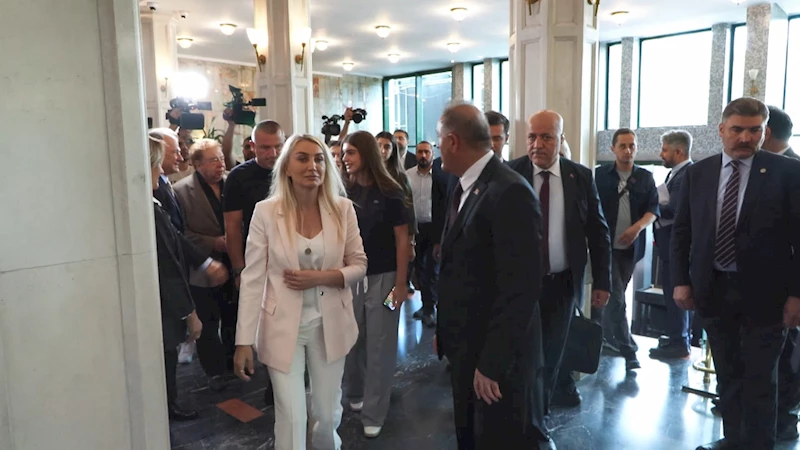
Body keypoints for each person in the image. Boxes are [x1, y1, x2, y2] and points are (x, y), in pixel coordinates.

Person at [672, 97, 800, 450]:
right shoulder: (699, 173)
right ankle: (733, 440)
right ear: (721, 130)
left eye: (755, 130)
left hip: (767, 296)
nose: (746, 137)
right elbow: (682, 231)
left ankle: (757, 445)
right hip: (714, 290)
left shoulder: (787, 172)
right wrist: (680, 281)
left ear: (765, 131)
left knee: (760, 380)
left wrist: (797, 294)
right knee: (728, 375)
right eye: (737, 129)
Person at [233, 135, 367, 450]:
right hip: (281, 326)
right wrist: (243, 340)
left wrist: (320, 278)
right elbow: (253, 278)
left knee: (326, 414)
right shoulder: (266, 212)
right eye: (303, 158)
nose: (313, 166)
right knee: (291, 416)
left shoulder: (343, 209)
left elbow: (359, 264)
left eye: (319, 159)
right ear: (287, 168)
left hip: (330, 324)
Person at [435, 103, 554, 449]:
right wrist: (445, 331)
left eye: (439, 140)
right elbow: (459, 267)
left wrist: (491, 363)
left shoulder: (509, 191)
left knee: (495, 438)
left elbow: (520, 289)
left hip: (493, 358)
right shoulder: (464, 185)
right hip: (465, 345)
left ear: (453, 141)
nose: (438, 146)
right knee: (468, 435)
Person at [507, 110, 611, 410]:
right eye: (532, 137)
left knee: (551, 358)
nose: (537, 144)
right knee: (521, 357)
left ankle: (538, 419)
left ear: (561, 139)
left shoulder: (580, 177)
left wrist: (602, 281)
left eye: (546, 137)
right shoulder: (510, 174)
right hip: (518, 286)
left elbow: (598, 231)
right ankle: (523, 417)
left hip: (562, 285)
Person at [149, 135, 228, 422]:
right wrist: (207, 257)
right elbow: (175, 243)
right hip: (184, 279)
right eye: (169, 155)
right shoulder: (164, 197)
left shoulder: (158, 193)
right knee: (178, 341)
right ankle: (168, 406)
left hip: (217, 267)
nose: (177, 158)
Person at [341, 130, 410, 439]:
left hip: (385, 278)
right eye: (344, 152)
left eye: (350, 152)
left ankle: (374, 412)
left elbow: (402, 241)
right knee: (352, 339)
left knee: (380, 346)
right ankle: (355, 393)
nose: (345, 158)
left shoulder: (391, 191)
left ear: (365, 154)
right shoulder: (346, 190)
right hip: (353, 277)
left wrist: (401, 284)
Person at [594, 128, 658, 371]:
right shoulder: (600, 175)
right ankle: (628, 350)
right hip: (604, 247)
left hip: (631, 250)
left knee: (613, 297)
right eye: (622, 145)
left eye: (632, 145)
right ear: (613, 149)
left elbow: (653, 210)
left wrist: (637, 228)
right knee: (617, 297)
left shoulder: (645, 177)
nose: (628, 150)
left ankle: (605, 338)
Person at [649, 130, 694, 360]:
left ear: (679, 151)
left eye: (665, 150)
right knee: (670, 294)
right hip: (668, 245)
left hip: (676, 248)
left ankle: (680, 343)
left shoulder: (686, 174)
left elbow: (675, 210)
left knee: (676, 294)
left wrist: (650, 204)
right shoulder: (675, 174)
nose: (661, 154)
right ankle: (677, 336)